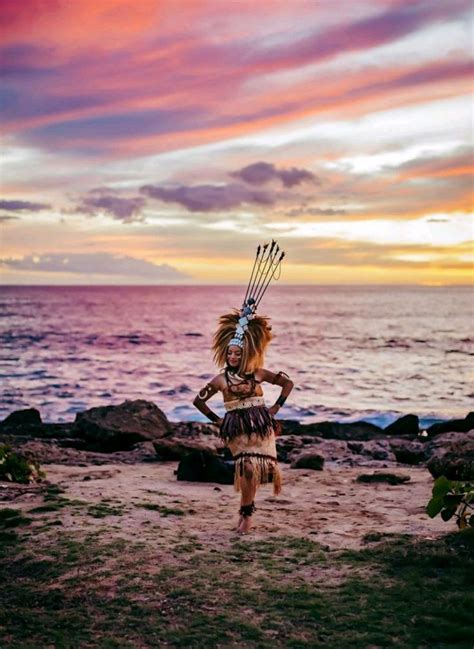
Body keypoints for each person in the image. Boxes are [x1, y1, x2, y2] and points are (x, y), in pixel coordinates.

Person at [193, 241, 293, 534]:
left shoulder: (257, 373)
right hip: (236, 427)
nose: (233, 357)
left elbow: (287, 383)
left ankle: (246, 515)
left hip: (261, 424)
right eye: (230, 353)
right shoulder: (220, 381)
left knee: (255, 470)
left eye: (238, 353)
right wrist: (218, 420)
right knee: (246, 469)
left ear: (245, 352)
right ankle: (246, 514)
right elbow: (198, 402)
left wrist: (275, 408)